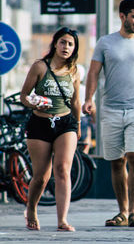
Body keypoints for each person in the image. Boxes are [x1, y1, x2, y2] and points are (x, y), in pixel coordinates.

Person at [82, 0, 134, 227]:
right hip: (110, 110)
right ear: (122, 16)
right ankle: (123, 212)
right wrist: (89, 99)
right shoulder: (105, 43)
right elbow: (93, 73)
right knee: (116, 162)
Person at [20, 27, 81, 232]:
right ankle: (31, 208)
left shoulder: (74, 71)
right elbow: (24, 96)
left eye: (70, 44)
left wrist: (78, 125)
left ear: (74, 49)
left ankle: (62, 220)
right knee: (41, 176)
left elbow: (76, 102)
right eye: (63, 42)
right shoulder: (40, 67)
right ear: (55, 44)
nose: (66, 47)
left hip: (65, 123)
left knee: (63, 169)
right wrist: (34, 104)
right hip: (39, 124)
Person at [77, 64, 95, 154]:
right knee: (85, 142)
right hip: (82, 118)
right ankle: (84, 160)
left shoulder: (68, 88)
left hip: (69, 117)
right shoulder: (85, 89)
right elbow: (92, 107)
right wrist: (95, 120)